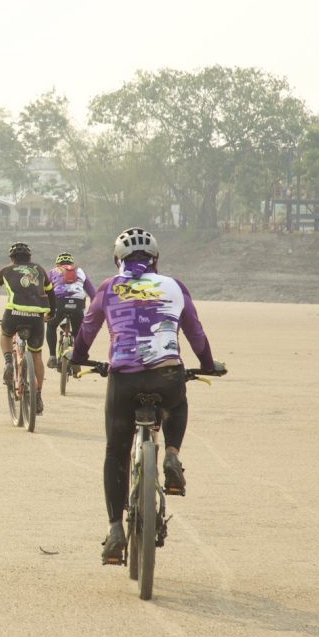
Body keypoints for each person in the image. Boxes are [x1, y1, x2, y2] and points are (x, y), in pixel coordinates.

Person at [69, 227, 225, 564]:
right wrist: (209, 365)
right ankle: (170, 454)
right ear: (155, 259)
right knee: (178, 402)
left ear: (117, 259)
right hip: (167, 374)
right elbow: (195, 331)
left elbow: (87, 329)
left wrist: (77, 357)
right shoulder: (173, 286)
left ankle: (114, 531)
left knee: (115, 452)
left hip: (124, 378)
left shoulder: (109, 288)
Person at [0, 242, 57, 414]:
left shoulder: (5, 271)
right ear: (29, 257)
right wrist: (52, 312)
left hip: (13, 313)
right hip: (37, 316)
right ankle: (38, 395)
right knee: (36, 355)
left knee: (6, 335)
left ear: (12, 258)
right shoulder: (40, 270)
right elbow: (51, 292)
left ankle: (8, 362)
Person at [45, 252, 96, 369]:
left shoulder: (53, 271)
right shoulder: (80, 271)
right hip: (77, 303)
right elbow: (93, 294)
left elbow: (44, 292)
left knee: (52, 325)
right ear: (72, 264)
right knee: (78, 331)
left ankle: (52, 356)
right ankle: (76, 359)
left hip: (59, 302)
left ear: (58, 264)